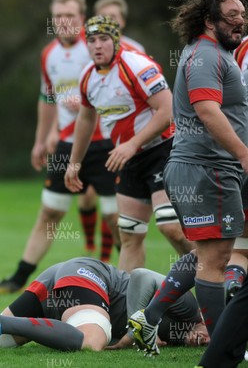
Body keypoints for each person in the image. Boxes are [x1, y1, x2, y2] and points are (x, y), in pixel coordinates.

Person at [125, 0, 248, 356]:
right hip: (206, 168)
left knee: (209, 254)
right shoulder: (207, 56)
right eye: (231, 16)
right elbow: (208, 112)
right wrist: (244, 153)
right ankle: (222, 351)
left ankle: (149, 318)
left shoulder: (215, 53)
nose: (240, 21)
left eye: (243, 14)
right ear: (210, 20)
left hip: (206, 169)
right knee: (217, 260)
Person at [0, 0, 119, 295]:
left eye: (69, 15)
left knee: (115, 218)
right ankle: (18, 279)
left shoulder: (97, 45)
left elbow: (117, 90)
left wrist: (86, 100)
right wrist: (40, 140)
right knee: (50, 213)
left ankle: (127, 280)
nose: (63, 21)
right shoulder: (49, 54)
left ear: (81, 18)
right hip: (67, 146)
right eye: (57, 16)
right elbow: (46, 99)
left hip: (106, 144)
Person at [64, 15, 194, 273]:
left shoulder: (135, 65)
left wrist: (132, 144)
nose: (97, 45)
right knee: (130, 236)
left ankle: (212, 278)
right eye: (91, 40)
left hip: (164, 151)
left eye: (103, 39)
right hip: (130, 160)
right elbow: (86, 118)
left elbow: (168, 109)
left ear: (115, 40)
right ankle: (129, 307)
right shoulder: (87, 76)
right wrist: (74, 162)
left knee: (172, 229)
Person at [0, 258, 207, 354]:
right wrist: (135, 333)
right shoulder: (191, 309)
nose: (205, 339)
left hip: (61, 279)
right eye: (211, 332)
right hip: (87, 277)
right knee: (92, 341)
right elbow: (142, 276)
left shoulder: (184, 337)